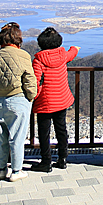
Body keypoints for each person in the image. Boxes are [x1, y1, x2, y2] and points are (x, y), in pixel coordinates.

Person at [0, 22, 37, 181]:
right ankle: (16, 171)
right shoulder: (23, 55)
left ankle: (1, 169)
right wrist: (31, 96)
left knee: (0, 138)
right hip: (18, 99)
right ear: (18, 40)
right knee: (17, 137)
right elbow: (29, 79)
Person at [30, 27, 79, 173]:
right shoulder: (62, 55)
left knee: (44, 132)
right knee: (61, 129)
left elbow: (36, 82)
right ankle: (63, 159)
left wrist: (34, 97)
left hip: (45, 102)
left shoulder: (38, 60)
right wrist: (75, 48)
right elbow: (72, 53)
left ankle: (46, 162)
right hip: (61, 100)